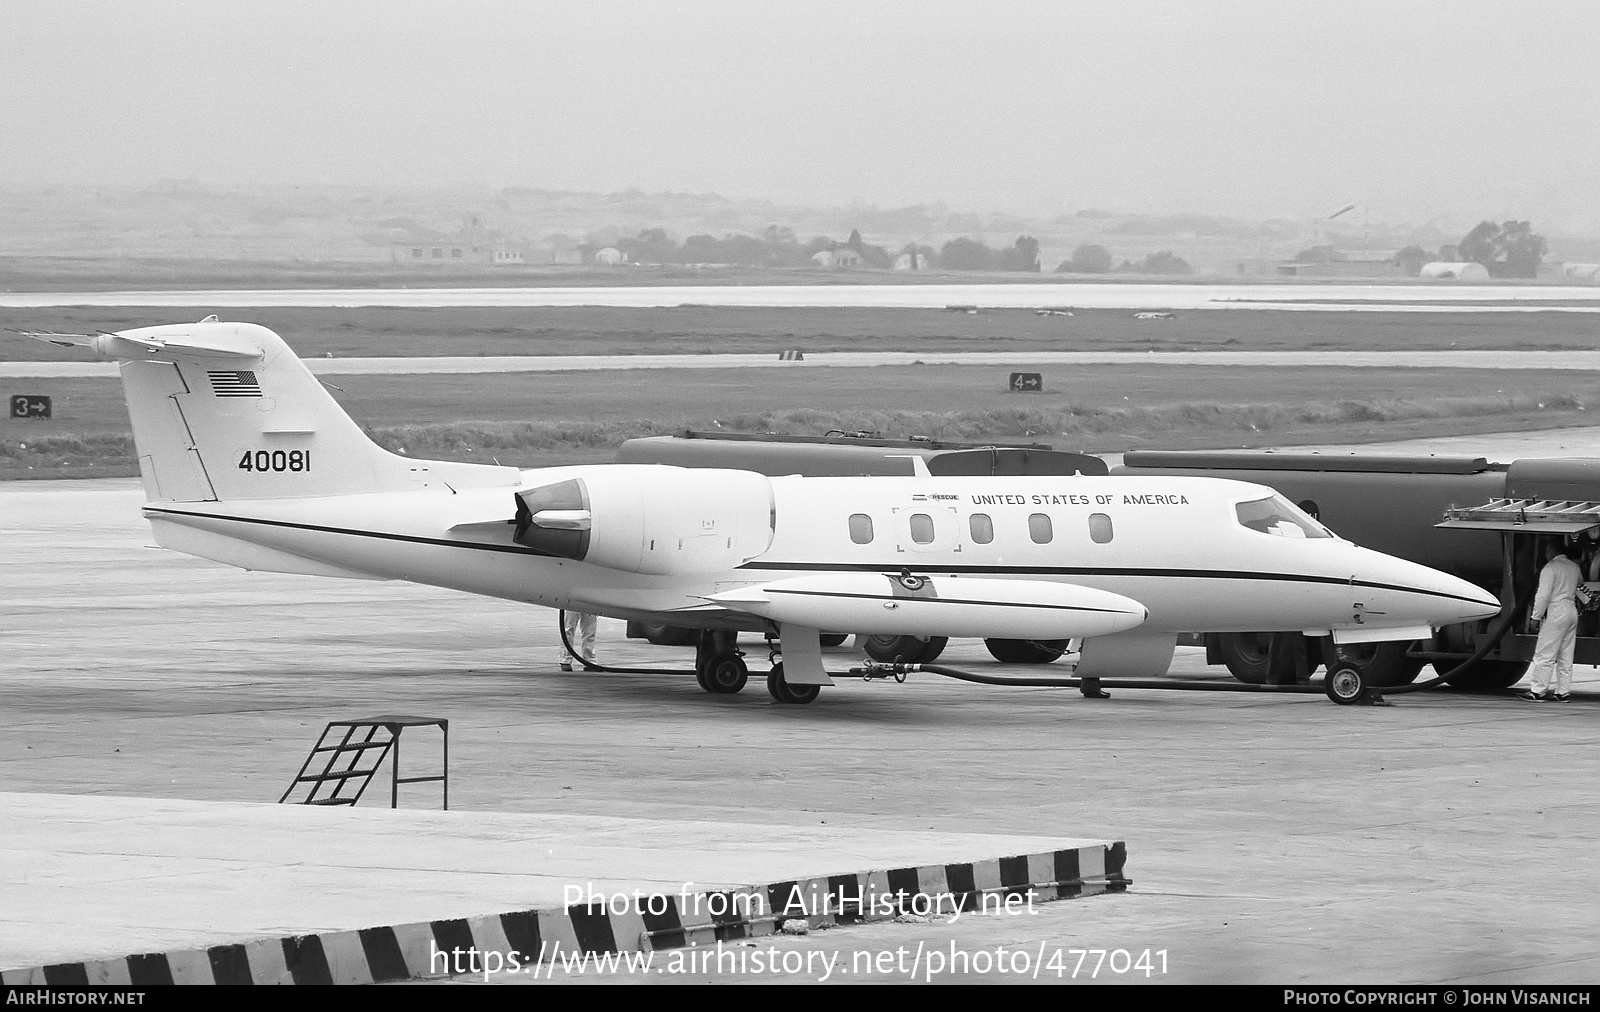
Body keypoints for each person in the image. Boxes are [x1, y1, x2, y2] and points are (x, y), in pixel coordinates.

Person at [1522, 541, 1581, 701]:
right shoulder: (1574, 567)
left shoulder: (1550, 568)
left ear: (1553, 550)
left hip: (1556, 610)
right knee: (1566, 654)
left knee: (1545, 652)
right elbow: (1581, 584)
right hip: (1571, 608)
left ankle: (1537, 691)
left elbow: (1543, 595)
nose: (1545, 553)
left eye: (1547, 549)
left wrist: (1536, 616)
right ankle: (1563, 692)